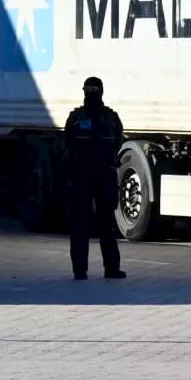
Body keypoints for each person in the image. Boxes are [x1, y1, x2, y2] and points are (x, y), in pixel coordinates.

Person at [63, 76, 127, 280]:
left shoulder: (109, 117)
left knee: (105, 223)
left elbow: (118, 140)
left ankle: (111, 268)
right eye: (88, 89)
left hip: (102, 174)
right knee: (81, 224)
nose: (90, 93)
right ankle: (80, 270)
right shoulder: (76, 117)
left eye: (94, 89)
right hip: (83, 175)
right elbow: (67, 143)